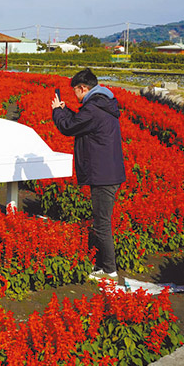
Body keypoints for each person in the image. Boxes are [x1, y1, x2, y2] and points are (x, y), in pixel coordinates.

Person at [51, 68, 126, 282]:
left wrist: (57, 111)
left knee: (102, 223)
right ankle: (105, 265)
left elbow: (68, 127)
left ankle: (109, 270)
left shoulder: (93, 109)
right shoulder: (101, 105)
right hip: (108, 172)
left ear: (84, 88)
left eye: (76, 91)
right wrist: (65, 110)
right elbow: (80, 123)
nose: (75, 96)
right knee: (102, 221)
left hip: (104, 176)